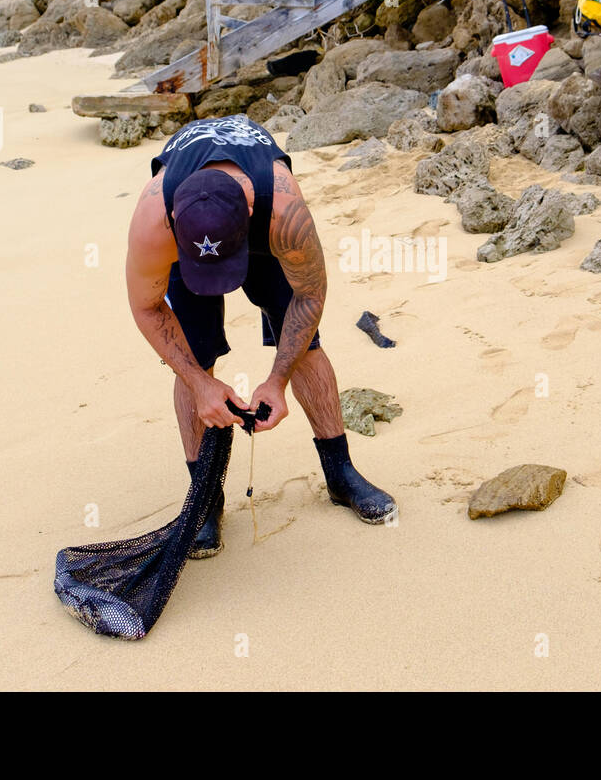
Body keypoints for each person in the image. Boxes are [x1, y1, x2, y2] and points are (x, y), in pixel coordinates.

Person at [125, 114, 397, 558]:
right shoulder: (153, 220)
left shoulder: (283, 210)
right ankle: (206, 498)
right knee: (194, 354)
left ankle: (341, 473)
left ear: (250, 211)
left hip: (264, 233)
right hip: (191, 237)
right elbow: (146, 307)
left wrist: (277, 380)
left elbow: (310, 294)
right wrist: (200, 382)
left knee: (305, 346)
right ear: (174, 217)